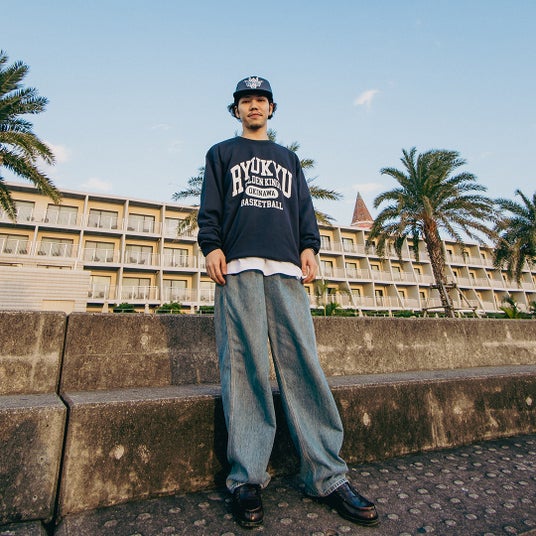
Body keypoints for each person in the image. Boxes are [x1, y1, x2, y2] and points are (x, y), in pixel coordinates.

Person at [197, 75, 379, 529]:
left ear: (272, 109)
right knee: (244, 367)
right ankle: (246, 478)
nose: (253, 106)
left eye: (261, 100)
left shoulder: (288, 159)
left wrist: (309, 246)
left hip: (285, 267)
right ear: (236, 110)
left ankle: (328, 475)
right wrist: (211, 245)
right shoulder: (221, 153)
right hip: (237, 266)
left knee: (303, 364)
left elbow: (303, 208)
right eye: (245, 100)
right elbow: (210, 206)